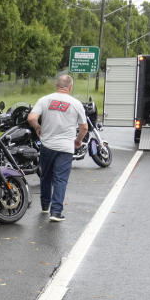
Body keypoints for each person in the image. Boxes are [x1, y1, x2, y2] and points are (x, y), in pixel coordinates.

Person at [27, 74, 88, 222]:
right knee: (60, 179)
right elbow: (84, 127)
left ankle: (45, 205)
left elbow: (31, 118)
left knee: (45, 176)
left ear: (56, 85)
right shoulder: (76, 103)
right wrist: (78, 140)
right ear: (70, 87)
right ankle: (56, 212)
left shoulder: (45, 100)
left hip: (47, 145)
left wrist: (37, 127)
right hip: (66, 147)